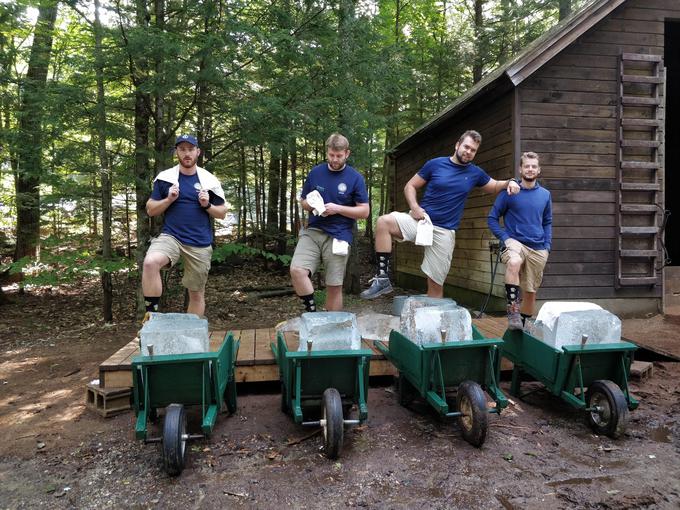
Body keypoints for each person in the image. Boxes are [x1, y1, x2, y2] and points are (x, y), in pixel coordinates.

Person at [361, 130, 521, 300]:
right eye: (466, 147)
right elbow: (410, 186)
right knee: (384, 222)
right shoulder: (435, 164)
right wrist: (414, 207)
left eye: (473, 150)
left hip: (444, 232)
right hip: (422, 221)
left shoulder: (475, 173)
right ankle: (383, 278)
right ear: (457, 145)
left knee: (436, 286)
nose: (468, 152)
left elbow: (495, 185)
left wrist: (510, 182)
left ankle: (433, 322)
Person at [142, 134, 227, 316]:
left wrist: (207, 205)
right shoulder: (166, 178)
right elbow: (150, 210)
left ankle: (192, 337)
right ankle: (151, 316)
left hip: (199, 242)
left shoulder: (209, 180)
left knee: (196, 294)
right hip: (172, 237)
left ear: (198, 152)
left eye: (190, 149)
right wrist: (168, 199)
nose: (186, 153)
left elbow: (222, 213)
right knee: (150, 263)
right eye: (182, 149)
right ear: (176, 152)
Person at [290, 133, 369, 312]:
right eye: (331, 155)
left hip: (339, 235)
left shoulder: (355, 178)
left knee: (333, 286)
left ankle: (332, 330)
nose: (334, 159)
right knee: (297, 270)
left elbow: (364, 211)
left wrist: (338, 208)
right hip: (313, 230)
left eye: (339, 156)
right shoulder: (316, 172)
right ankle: (312, 313)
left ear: (347, 154)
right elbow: (303, 201)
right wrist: (310, 205)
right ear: (327, 152)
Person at [487, 151, 552, 330]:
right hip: (514, 242)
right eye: (526, 166)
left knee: (530, 293)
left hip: (538, 247)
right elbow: (492, 218)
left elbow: (547, 222)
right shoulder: (510, 192)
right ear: (520, 169)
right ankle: (513, 311)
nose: (530, 169)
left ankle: (520, 328)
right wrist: (505, 238)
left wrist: (547, 246)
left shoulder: (545, 195)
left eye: (533, 166)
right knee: (514, 262)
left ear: (538, 170)